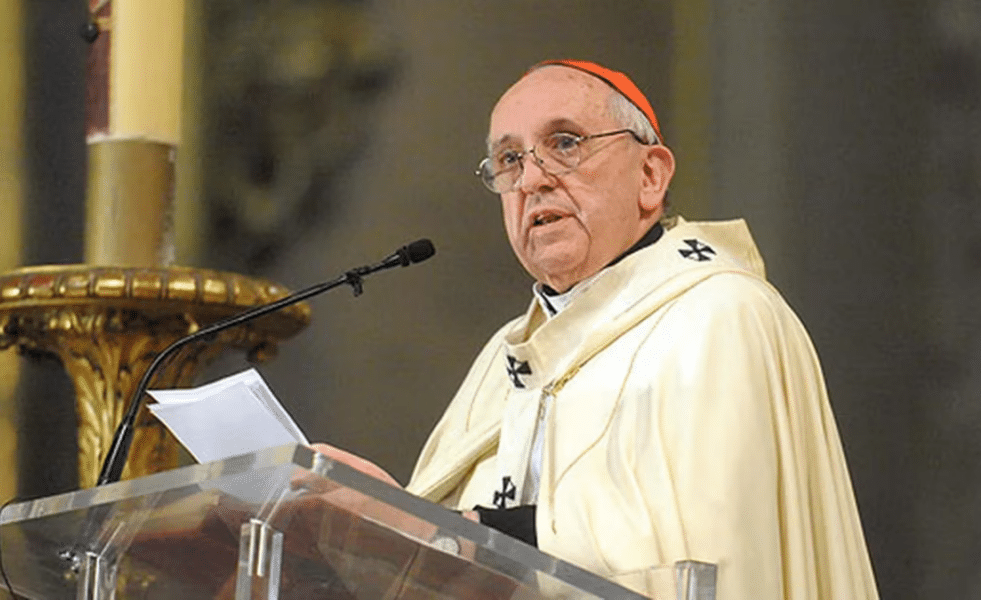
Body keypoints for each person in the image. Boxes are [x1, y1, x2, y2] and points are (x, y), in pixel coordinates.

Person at [320, 59, 879, 599]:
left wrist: (447, 531)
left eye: (565, 143)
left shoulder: (719, 315)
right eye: (509, 160)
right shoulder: (506, 356)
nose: (532, 179)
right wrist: (374, 526)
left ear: (651, 175)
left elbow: (700, 558)